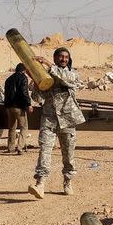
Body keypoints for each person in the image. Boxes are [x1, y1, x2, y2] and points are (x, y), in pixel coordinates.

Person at [28, 47, 85, 199]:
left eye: (66, 57)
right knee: (44, 150)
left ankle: (68, 181)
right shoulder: (47, 76)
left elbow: (66, 79)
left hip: (68, 119)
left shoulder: (72, 74)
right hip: (49, 119)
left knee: (68, 154)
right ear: (55, 58)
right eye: (60, 57)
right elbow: (37, 98)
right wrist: (35, 79)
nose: (63, 59)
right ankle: (40, 183)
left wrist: (47, 64)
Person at [4, 63, 33, 155]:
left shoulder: (8, 79)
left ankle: (10, 147)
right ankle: (20, 147)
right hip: (18, 107)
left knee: (12, 127)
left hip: (9, 106)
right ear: (24, 70)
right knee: (24, 127)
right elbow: (24, 92)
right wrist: (28, 104)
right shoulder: (23, 78)